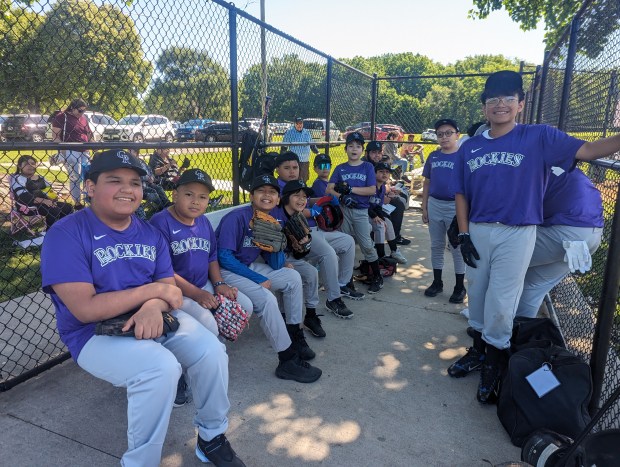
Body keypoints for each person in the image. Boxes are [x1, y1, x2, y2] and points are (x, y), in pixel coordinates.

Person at [40, 149, 245, 466]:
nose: (127, 189)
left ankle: (211, 436)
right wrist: (152, 292)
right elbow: (85, 309)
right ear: (90, 187)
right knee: (160, 369)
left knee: (211, 351)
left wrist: (153, 304)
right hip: (94, 334)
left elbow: (172, 293)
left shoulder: (149, 233)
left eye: (134, 183)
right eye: (114, 180)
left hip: (157, 316)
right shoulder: (66, 233)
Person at [449, 70, 620, 405]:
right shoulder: (470, 148)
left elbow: (588, 149)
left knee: (503, 298)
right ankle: (479, 351)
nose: (500, 105)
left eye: (508, 98)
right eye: (493, 99)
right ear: (484, 106)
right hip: (480, 230)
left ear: (520, 104)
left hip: (519, 231)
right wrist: (465, 233)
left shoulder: (539, 137)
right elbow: (461, 194)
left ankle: (496, 362)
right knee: (479, 293)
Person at [150, 168, 254, 406]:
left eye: (203, 197)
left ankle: (213, 363)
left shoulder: (203, 222)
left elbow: (211, 257)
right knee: (208, 324)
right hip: (173, 290)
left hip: (203, 284)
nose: (196, 201)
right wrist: (198, 295)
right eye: (189, 194)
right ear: (175, 194)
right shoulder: (160, 223)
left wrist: (218, 284)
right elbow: (163, 271)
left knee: (244, 305)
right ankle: (186, 377)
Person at [215, 174, 322, 383]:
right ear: (252, 195)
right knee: (267, 299)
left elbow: (274, 263)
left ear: (278, 197)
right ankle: (287, 360)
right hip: (226, 271)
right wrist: (256, 278)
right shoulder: (236, 218)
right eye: (261, 191)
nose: (267, 195)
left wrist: (278, 247)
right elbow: (224, 257)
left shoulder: (272, 219)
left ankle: (294, 334)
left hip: (245, 267)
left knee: (292, 276)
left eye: (272, 191)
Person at [275, 152, 360, 321]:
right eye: (287, 168)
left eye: (295, 167)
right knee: (327, 253)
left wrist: (325, 199)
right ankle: (333, 299)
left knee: (348, 241)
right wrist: (311, 211)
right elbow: (291, 211)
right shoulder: (277, 187)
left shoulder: (296, 183)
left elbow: (305, 200)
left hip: (313, 229)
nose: (292, 171)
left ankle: (342, 284)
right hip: (299, 234)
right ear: (278, 170)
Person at [515, 168, 603, 318]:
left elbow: (520, 213)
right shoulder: (571, 169)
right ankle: (519, 333)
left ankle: (485, 325)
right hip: (593, 235)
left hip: (564, 232)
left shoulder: (533, 168)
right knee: (533, 286)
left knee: (500, 261)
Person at [327, 131, 383, 294]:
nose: (354, 149)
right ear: (345, 149)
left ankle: (377, 277)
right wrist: (342, 197)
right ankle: (346, 280)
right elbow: (329, 188)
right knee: (345, 245)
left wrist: (351, 190)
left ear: (362, 150)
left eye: (358, 146)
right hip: (344, 211)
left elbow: (372, 189)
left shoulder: (367, 167)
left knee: (366, 244)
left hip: (360, 211)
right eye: (350, 146)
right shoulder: (340, 168)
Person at [421, 118, 467, 303]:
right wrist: (424, 206)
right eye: (440, 134)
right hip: (435, 204)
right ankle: (437, 281)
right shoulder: (433, 156)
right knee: (436, 245)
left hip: (455, 206)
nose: (444, 137)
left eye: (449, 133)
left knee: (456, 246)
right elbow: (427, 182)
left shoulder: (462, 156)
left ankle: (459, 286)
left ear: (457, 135)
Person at [272, 180, 325, 336]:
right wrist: (284, 262)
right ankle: (283, 317)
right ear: (286, 197)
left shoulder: (299, 216)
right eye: (297, 195)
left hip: (288, 257)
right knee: (290, 276)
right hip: (270, 257)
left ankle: (310, 315)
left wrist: (304, 245)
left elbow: (299, 254)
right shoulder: (275, 215)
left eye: (304, 197)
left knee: (311, 272)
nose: (302, 200)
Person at [362, 141, 411, 246]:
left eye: (379, 152)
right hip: (367, 202)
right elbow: (367, 189)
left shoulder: (377, 163)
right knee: (398, 204)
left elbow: (383, 183)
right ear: (366, 154)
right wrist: (384, 196)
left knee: (400, 198)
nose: (377, 155)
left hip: (378, 197)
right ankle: (394, 237)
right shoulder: (364, 166)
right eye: (374, 152)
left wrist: (389, 191)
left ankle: (394, 236)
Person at [50, 98, 93, 207]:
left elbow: (89, 134)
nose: (82, 113)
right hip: (70, 150)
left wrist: (95, 146)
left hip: (85, 151)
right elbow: (55, 137)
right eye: (80, 110)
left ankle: (90, 199)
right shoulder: (61, 117)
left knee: (88, 175)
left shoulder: (83, 119)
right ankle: (77, 203)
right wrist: (63, 152)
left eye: (84, 111)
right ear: (72, 108)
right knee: (76, 176)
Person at [11, 155, 74, 228]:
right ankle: (51, 232)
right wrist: (44, 201)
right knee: (54, 210)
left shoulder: (40, 177)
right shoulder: (19, 178)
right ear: (19, 166)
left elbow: (49, 190)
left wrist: (52, 198)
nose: (30, 165)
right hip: (28, 206)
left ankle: (63, 228)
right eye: (26, 163)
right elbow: (24, 197)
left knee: (68, 207)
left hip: (45, 203)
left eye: (33, 163)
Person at [369, 161, 407, 264]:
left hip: (373, 213)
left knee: (387, 222)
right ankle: (381, 256)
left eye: (387, 172)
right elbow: (363, 204)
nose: (384, 174)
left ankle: (394, 251)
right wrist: (374, 216)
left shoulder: (382, 188)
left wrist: (381, 216)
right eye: (381, 171)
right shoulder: (370, 185)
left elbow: (378, 207)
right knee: (380, 225)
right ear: (374, 173)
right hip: (364, 214)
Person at [281, 117, 319, 182]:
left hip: (305, 161)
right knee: (293, 179)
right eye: (297, 124)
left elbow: (312, 145)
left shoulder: (307, 132)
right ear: (294, 124)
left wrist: (318, 153)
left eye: (301, 123)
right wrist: (282, 159)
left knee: (304, 179)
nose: (299, 125)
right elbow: (284, 148)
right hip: (294, 161)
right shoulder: (289, 132)